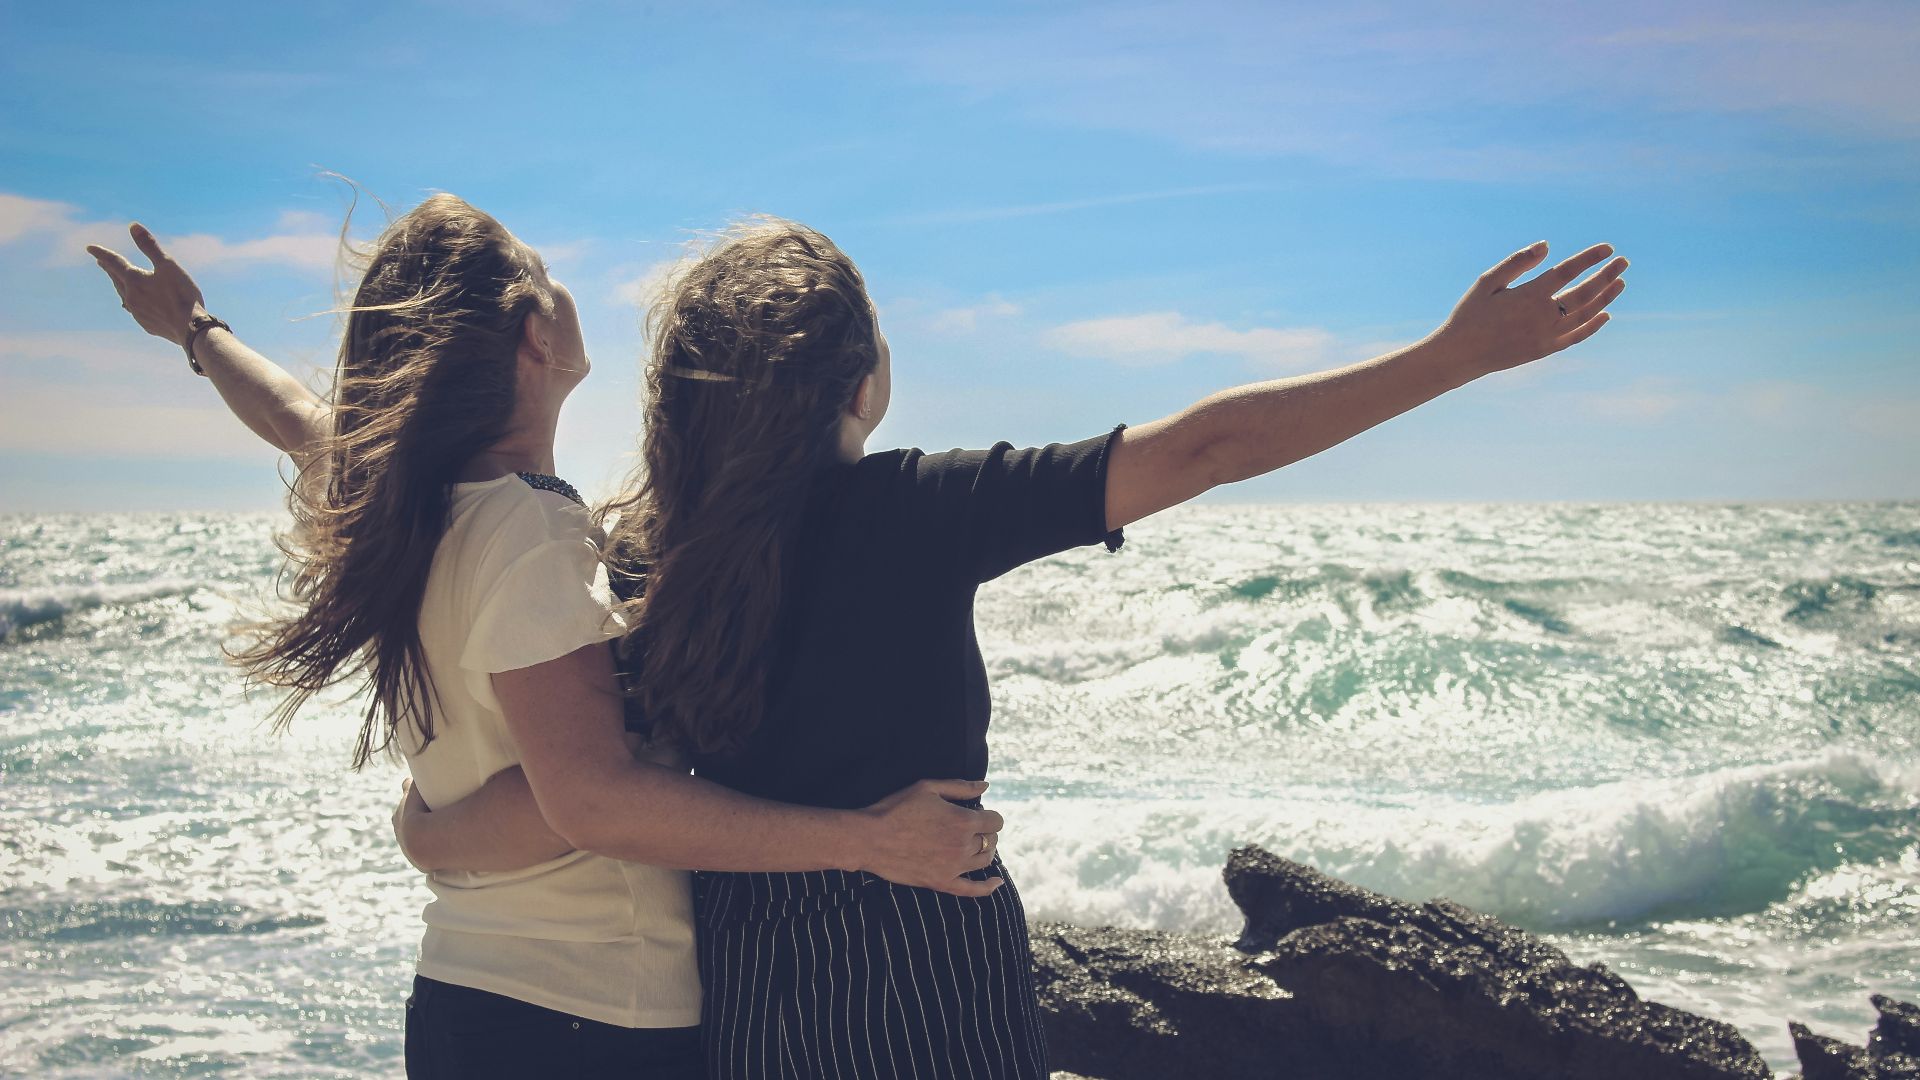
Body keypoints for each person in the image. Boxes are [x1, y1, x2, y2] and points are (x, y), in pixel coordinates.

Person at [408, 218, 1629, 1078]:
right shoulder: (919, 508)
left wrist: (429, 833)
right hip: (926, 941)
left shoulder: (641, 558)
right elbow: (1203, 449)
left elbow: (583, 792)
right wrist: (1450, 358)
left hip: (747, 973)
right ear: (864, 381)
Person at [86, 198, 1009, 1080]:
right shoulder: (527, 532)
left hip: (471, 994)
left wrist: (196, 332)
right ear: (536, 335)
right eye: (550, 275)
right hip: (589, 1016)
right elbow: (589, 803)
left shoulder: (401, 501)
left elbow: (295, 417)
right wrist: (868, 842)